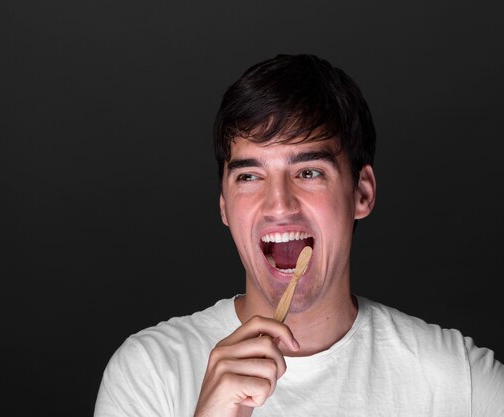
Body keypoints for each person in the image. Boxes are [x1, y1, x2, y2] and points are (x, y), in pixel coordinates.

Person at [94, 54, 504, 416]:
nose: (278, 204)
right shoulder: (150, 372)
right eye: (250, 176)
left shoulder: (458, 381)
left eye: (309, 172)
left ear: (361, 193)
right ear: (224, 205)